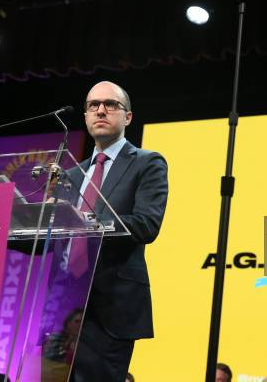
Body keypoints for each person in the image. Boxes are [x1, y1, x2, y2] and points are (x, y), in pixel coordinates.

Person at [70, 81, 169, 381]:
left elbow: (146, 224)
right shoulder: (73, 174)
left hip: (111, 306)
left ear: (127, 117)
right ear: (86, 116)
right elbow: (54, 237)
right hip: (64, 307)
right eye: (93, 105)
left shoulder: (147, 163)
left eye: (110, 104)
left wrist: (88, 222)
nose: (100, 110)